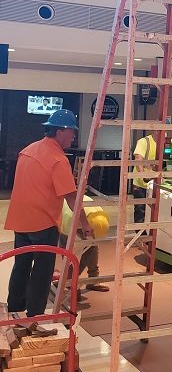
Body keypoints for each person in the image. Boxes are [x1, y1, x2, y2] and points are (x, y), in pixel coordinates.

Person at [4, 109, 93, 317]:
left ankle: (14, 312)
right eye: (72, 131)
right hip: (43, 224)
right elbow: (72, 198)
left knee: (21, 267)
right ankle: (34, 317)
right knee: (42, 274)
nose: (73, 136)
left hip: (20, 221)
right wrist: (85, 224)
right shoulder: (58, 160)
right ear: (61, 131)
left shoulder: (28, 150)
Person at [60, 197, 110, 295]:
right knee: (67, 253)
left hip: (84, 215)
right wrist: (72, 280)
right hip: (64, 213)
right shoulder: (69, 220)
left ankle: (93, 279)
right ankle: (71, 283)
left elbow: (92, 244)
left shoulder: (101, 216)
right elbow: (65, 253)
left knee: (92, 245)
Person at [132, 133, 157, 223]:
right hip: (141, 185)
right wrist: (143, 176)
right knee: (141, 211)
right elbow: (138, 160)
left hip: (155, 184)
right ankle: (141, 234)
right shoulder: (144, 142)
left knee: (153, 211)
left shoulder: (164, 143)